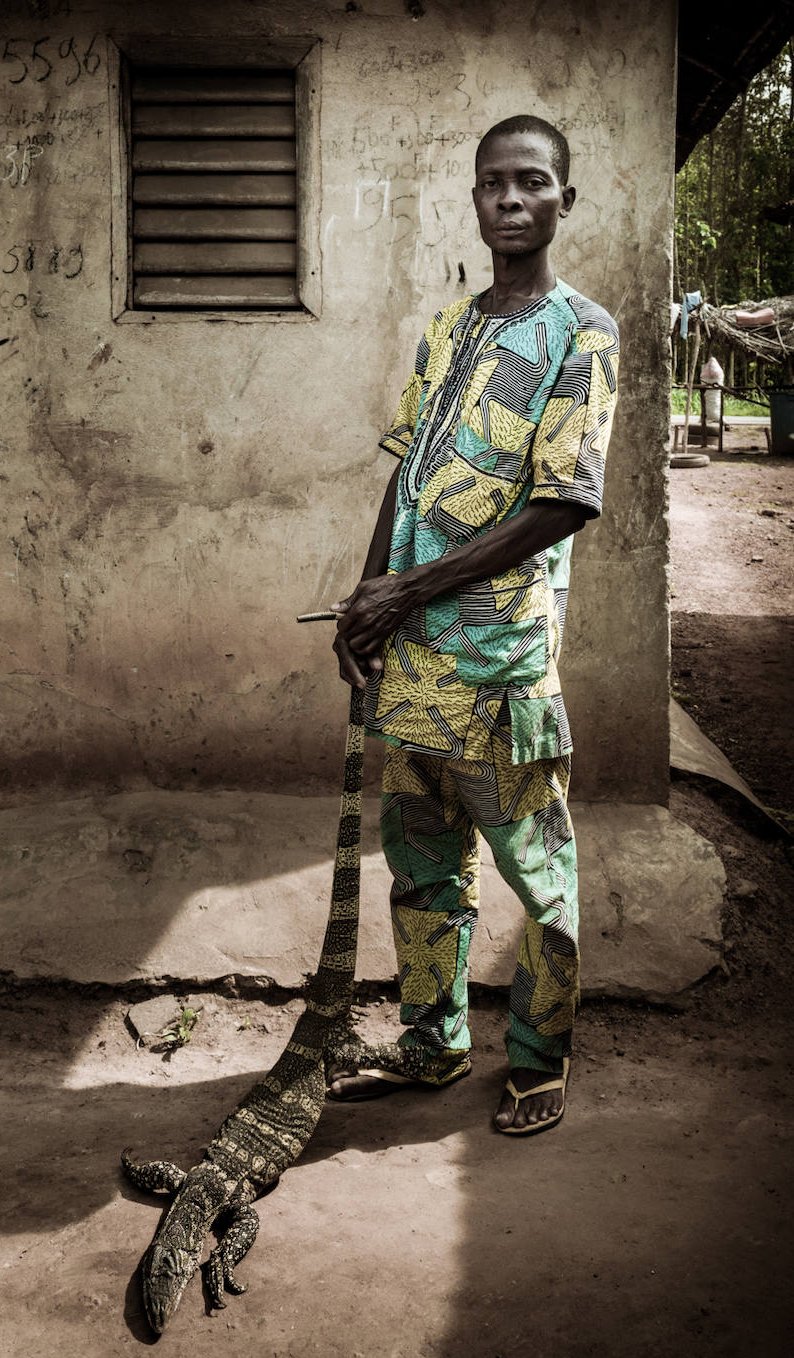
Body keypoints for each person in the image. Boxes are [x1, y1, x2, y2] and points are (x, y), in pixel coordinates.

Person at [327, 115, 619, 1136]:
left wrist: (406, 592)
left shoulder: (583, 334)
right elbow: (404, 473)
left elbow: (562, 502)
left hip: (499, 676)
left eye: (529, 182)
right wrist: (365, 603)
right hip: (410, 670)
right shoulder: (447, 331)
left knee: (537, 884)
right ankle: (430, 1044)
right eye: (491, 182)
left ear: (560, 204)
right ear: (475, 198)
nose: (507, 199)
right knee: (421, 875)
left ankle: (539, 1060)